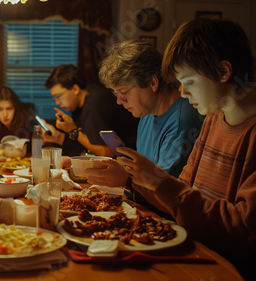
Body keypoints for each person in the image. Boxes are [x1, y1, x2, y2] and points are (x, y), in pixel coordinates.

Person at [114, 18, 256, 279]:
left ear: (223, 72)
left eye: (188, 81)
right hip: (195, 254)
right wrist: (140, 180)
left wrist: (156, 180)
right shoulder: (213, 119)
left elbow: (243, 231)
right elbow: (183, 196)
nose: (182, 91)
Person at [85, 39, 204, 215]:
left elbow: (165, 194)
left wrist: (126, 179)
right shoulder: (146, 115)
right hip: (141, 208)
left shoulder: (184, 120)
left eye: (123, 92)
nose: (119, 101)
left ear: (153, 83)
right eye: (116, 94)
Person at [43, 64, 139, 157]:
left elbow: (106, 153)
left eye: (58, 97)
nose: (57, 102)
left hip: (133, 160)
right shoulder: (79, 105)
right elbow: (86, 146)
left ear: (75, 89)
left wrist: (73, 130)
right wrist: (58, 136)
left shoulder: (95, 102)